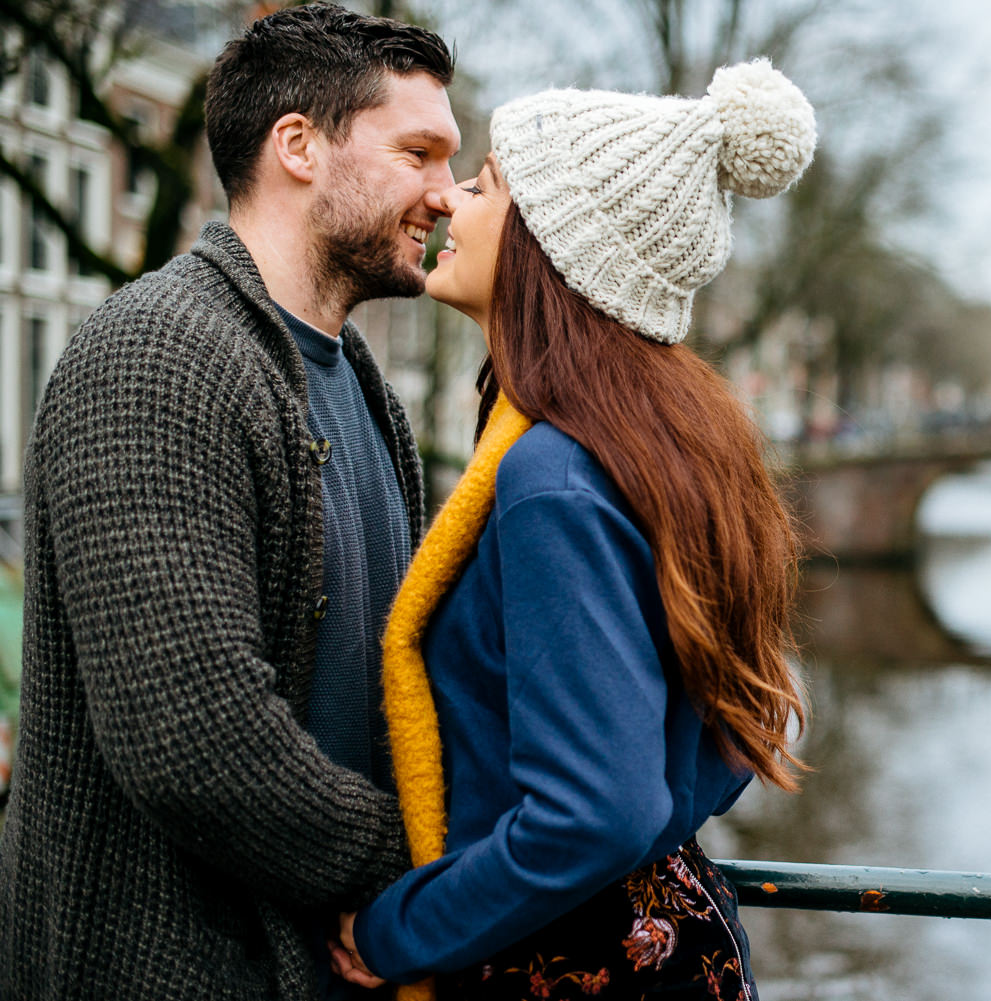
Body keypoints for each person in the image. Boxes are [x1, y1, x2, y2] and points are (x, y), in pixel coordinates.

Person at [325, 61, 817, 1000]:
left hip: (562, 962)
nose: (451, 200)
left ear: (552, 244)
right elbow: (743, 715)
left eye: (487, 185)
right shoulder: (668, 448)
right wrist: (656, 820)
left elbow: (597, 810)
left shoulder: (550, 477)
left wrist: (403, 927)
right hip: (665, 934)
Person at [0, 5, 462, 1000]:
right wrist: (421, 859)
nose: (447, 195)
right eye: (419, 152)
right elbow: (193, 739)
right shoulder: (155, 355)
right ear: (298, 144)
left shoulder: (364, 387)